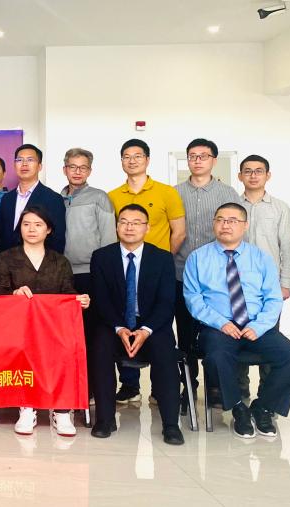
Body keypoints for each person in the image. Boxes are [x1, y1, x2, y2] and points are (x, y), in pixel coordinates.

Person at [185, 203, 290, 438]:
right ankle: (238, 408)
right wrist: (221, 323)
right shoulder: (197, 258)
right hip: (218, 327)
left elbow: (273, 299)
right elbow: (193, 299)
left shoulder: (261, 258)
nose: (226, 225)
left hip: (256, 326)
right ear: (214, 223)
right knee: (216, 358)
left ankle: (263, 407)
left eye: (233, 220)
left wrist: (258, 326)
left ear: (245, 225)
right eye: (220, 219)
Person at [88, 204, 184, 445]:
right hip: (114, 323)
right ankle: (105, 419)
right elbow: (101, 299)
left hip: (151, 325)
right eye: (124, 222)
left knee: (165, 351)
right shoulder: (102, 257)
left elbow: (166, 301)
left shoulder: (162, 258)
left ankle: (171, 425)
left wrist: (145, 330)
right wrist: (119, 328)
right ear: (117, 226)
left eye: (136, 222)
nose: (129, 227)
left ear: (147, 228)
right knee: (99, 347)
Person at [0, 206, 90, 437]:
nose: (32, 229)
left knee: (66, 348)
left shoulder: (60, 261)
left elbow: (68, 294)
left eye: (38, 225)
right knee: (24, 348)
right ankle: (27, 406)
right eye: (26, 224)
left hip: (53, 329)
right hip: (18, 328)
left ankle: (62, 410)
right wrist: (14, 294)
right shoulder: (6, 258)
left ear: (49, 230)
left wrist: (79, 300)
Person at [107, 139, 186, 404]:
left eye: (137, 156)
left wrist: (159, 264)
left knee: (158, 326)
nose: (132, 161)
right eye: (126, 156)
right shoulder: (112, 196)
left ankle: (158, 388)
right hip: (125, 271)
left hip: (156, 274)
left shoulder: (166, 192)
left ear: (148, 160)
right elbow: (112, 233)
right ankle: (129, 385)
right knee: (124, 320)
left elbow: (179, 231)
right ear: (121, 161)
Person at [174, 139, 239, 408]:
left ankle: (215, 387)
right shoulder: (174, 193)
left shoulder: (228, 193)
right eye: (192, 156)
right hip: (181, 274)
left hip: (218, 278)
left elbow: (235, 232)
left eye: (203, 156)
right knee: (185, 336)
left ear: (214, 160)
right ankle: (188, 387)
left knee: (215, 333)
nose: (197, 160)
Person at [58, 147, 116, 406]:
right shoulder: (57, 198)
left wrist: (105, 274)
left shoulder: (99, 198)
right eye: (72, 166)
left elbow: (109, 239)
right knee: (67, 337)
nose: (77, 172)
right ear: (64, 169)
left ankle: (92, 389)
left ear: (90, 171)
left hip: (90, 275)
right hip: (62, 276)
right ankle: (70, 386)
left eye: (83, 167)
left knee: (92, 336)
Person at [237, 154, 290, 402]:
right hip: (235, 286)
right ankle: (240, 392)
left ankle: (267, 394)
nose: (253, 175)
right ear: (240, 176)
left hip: (268, 287)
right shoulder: (232, 206)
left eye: (258, 171)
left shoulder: (280, 208)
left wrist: (285, 283)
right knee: (237, 338)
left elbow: (287, 248)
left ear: (267, 175)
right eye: (248, 171)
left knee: (268, 338)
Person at [0, 144, 66, 259]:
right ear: (14, 165)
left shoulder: (53, 198)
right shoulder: (7, 198)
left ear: (39, 166)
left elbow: (57, 240)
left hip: (38, 264)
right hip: (7, 264)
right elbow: (0, 236)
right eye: (19, 160)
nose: (24, 164)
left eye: (30, 160)